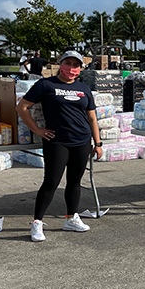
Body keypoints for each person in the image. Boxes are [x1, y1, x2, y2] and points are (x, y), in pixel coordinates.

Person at [17, 51, 103, 242]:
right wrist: (37, 130)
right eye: (68, 63)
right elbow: (22, 107)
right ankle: (37, 223)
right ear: (60, 64)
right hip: (58, 141)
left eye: (76, 65)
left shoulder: (83, 88)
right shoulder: (45, 85)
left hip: (82, 141)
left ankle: (71, 218)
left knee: (75, 182)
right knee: (51, 183)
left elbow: (91, 117)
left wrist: (97, 143)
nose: (71, 69)